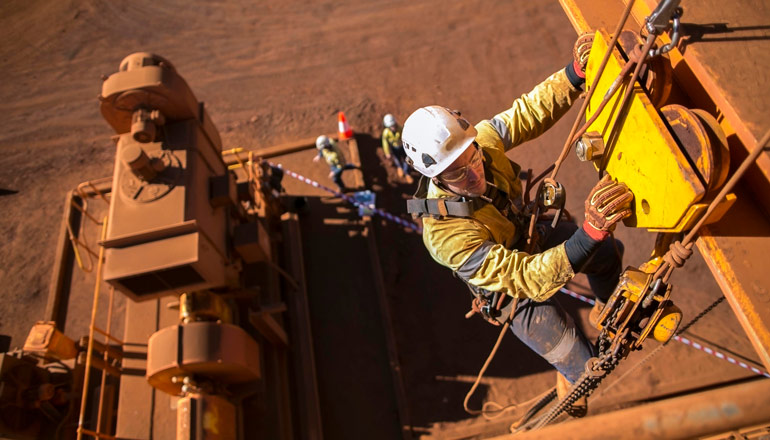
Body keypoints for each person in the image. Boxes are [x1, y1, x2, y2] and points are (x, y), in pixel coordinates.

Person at [401, 39, 633, 416]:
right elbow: (524, 277)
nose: (473, 171)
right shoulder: (445, 235)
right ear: (436, 177)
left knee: (608, 255)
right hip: (513, 290)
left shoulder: (479, 145)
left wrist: (573, 74)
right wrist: (588, 233)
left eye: (471, 157)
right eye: (457, 173)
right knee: (586, 367)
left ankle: (605, 310)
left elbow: (526, 112)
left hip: (528, 236)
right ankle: (571, 383)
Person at [381, 114, 413, 184]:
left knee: (406, 161)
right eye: (391, 126)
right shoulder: (386, 133)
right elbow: (385, 142)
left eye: (393, 125)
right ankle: (399, 167)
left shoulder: (400, 129)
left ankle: (407, 173)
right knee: (397, 159)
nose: (393, 127)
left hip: (402, 148)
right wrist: (387, 152)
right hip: (394, 148)